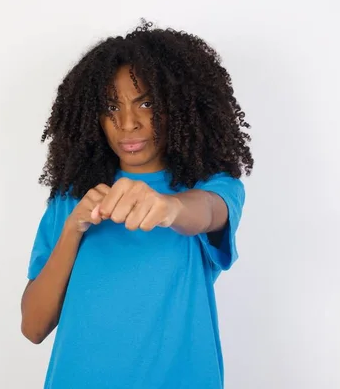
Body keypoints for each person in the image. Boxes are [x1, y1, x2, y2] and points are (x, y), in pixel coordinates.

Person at [20, 21, 253, 389]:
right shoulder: (72, 199)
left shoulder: (211, 189)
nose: (127, 123)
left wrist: (171, 208)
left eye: (146, 103)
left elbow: (208, 210)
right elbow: (33, 327)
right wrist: (72, 230)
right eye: (111, 107)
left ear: (178, 107)